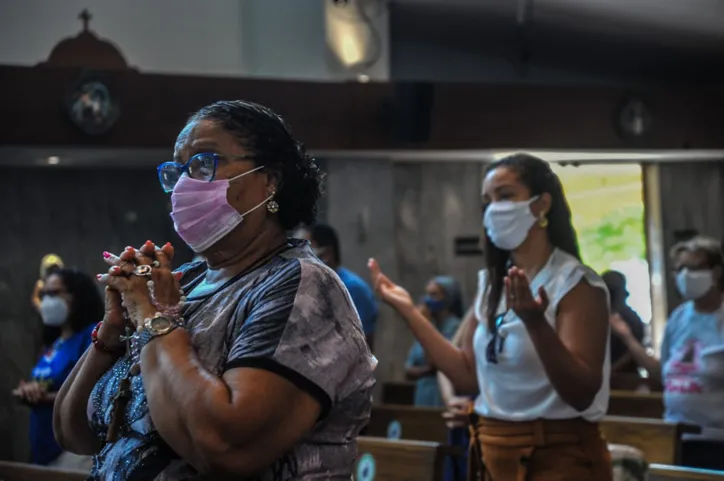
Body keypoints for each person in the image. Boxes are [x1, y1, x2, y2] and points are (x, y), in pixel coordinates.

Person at [53, 100, 376, 480]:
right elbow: (73, 433)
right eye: (179, 170)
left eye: (205, 163)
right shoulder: (182, 281)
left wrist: (154, 320)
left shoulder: (300, 285)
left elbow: (224, 447)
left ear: (269, 180)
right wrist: (113, 326)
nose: (185, 184)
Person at [369, 153, 611, 481]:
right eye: (488, 201)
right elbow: (467, 377)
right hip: (493, 449)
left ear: (541, 205)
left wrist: (536, 323)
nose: (494, 209)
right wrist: (409, 311)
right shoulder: (492, 284)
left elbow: (581, 392)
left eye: (506, 196)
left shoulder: (575, 284)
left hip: (557, 454)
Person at [610, 235, 724, 470]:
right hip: (676, 435)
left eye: (693, 268)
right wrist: (627, 338)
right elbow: (661, 373)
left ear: (716, 272)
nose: (685, 275)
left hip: (716, 439)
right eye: (679, 269)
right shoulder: (679, 317)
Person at [14, 268, 101, 469]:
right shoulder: (54, 344)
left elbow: (94, 394)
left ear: (77, 296)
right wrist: (27, 390)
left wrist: (40, 396)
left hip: (74, 453)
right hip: (44, 449)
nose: (47, 301)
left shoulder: (93, 336)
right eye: (44, 294)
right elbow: (44, 385)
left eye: (54, 293)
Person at [295, 224, 379, 350]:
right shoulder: (310, 287)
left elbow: (363, 346)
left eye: (304, 251)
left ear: (327, 253)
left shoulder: (353, 289)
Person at [406, 276, 462, 407]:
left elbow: (436, 362)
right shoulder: (429, 325)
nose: (427, 300)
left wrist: (423, 325)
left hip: (441, 394)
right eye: (427, 294)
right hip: (423, 393)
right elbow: (408, 370)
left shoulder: (454, 327)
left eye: (434, 295)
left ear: (448, 298)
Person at [602, 271, 645, 374]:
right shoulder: (593, 317)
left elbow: (634, 353)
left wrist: (609, 373)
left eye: (613, 292)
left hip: (626, 380)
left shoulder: (632, 319)